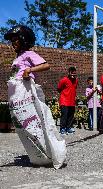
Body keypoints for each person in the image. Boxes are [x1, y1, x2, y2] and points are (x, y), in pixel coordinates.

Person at [5, 25, 66, 168]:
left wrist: (29, 70)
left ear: (24, 40)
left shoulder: (28, 54)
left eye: (16, 40)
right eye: (12, 40)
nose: (13, 43)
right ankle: (38, 155)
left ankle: (50, 153)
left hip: (26, 93)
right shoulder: (18, 57)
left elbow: (46, 65)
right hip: (17, 96)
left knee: (34, 124)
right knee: (23, 127)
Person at [58, 67, 78, 135]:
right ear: (69, 73)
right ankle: (62, 129)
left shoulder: (76, 80)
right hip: (64, 101)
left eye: (74, 73)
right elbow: (59, 89)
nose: (73, 75)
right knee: (64, 115)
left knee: (71, 115)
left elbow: (74, 89)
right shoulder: (64, 80)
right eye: (72, 73)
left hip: (72, 101)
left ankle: (68, 128)